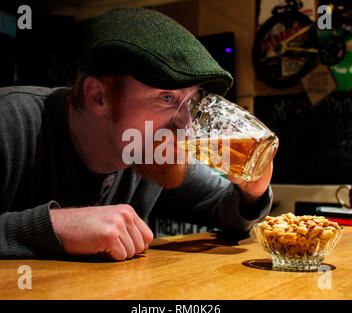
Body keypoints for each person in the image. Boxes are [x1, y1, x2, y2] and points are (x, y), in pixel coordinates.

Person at [0, 7, 273, 261]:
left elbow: (225, 209)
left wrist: (252, 191)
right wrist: (52, 226)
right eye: (167, 98)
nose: (186, 125)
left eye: (190, 101)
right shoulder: (10, 121)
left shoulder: (151, 151)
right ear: (97, 96)